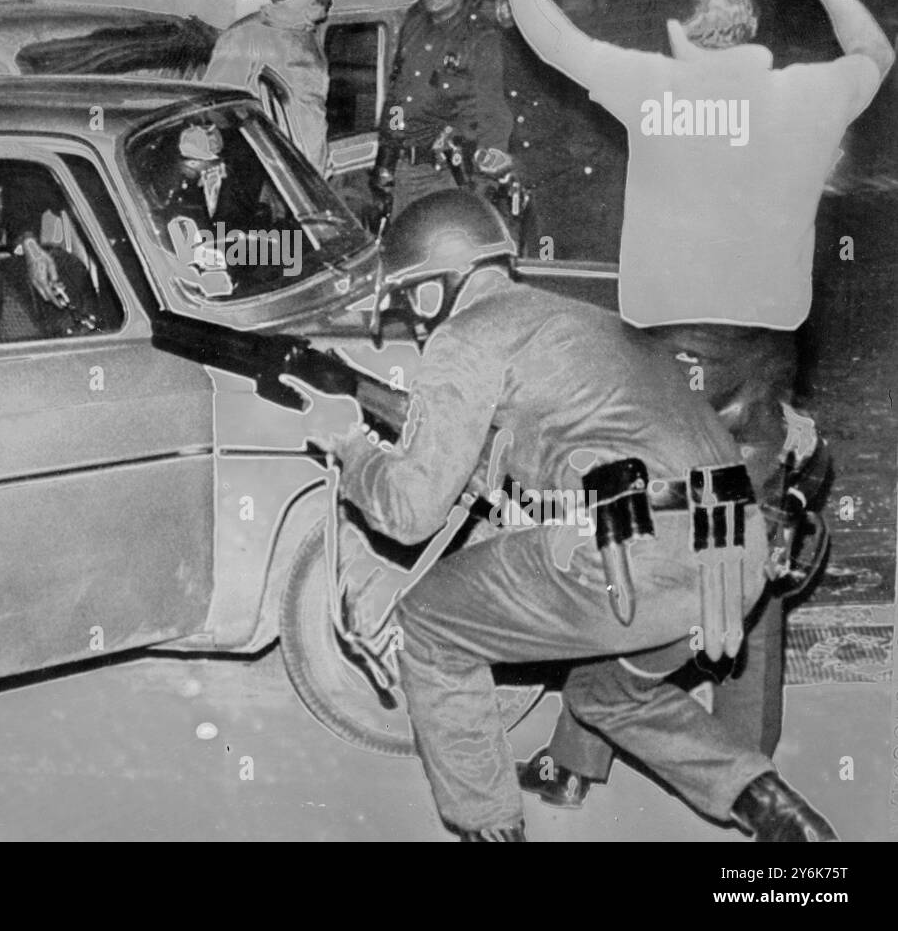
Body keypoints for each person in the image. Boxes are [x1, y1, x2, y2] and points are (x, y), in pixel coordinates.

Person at [497, 0, 894, 806]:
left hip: (659, 365)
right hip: (761, 369)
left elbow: (549, 36)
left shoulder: (652, 88)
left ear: (678, 29)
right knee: (747, 554)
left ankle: (572, 764)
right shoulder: (806, 94)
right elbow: (876, 52)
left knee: (629, 549)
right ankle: (748, 776)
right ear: (752, 24)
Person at [304, 190, 838, 842]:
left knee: (432, 627)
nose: (411, 322)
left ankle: (490, 829)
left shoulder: (466, 334)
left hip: (629, 555)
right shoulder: (583, 320)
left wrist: (350, 445)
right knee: (606, 695)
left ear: (440, 284)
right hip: (734, 557)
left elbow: (411, 512)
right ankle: (778, 812)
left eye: (410, 297)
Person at [371, 0, 514, 223]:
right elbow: (399, 95)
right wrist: (386, 159)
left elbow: (492, 121)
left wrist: (480, 195)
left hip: (446, 176)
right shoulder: (413, 21)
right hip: (403, 171)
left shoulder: (481, 39)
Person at [203, 0, 340, 171]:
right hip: (272, 187)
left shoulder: (305, 33)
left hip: (306, 186)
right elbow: (213, 112)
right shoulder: (246, 37)